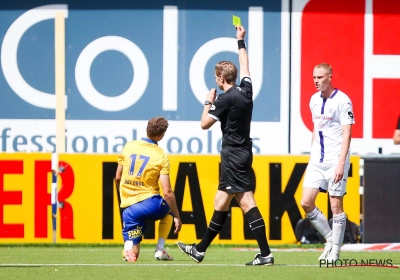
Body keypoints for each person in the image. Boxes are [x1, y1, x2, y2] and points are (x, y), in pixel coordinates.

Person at [177, 25, 274, 266]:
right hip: (243, 151)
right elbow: (246, 66)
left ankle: (265, 254)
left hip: (232, 154)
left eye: (217, 79)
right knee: (220, 202)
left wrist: (208, 101)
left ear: (221, 78)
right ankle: (199, 249)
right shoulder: (246, 90)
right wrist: (240, 41)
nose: (217, 82)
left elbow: (203, 124)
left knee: (246, 202)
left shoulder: (224, 99)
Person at [300, 63, 355, 262]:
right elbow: (317, 128)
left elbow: (347, 134)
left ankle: (336, 252)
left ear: (330, 77)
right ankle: (330, 238)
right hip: (317, 160)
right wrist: (311, 155)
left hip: (335, 160)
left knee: (336, 206)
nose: (316, 81)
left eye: (320, 77)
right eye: (314, 77)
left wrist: (341, 163)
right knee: (306, 202)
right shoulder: (313, 100)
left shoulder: (343, 101)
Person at [115, 116, 182, 262]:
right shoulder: (160, 155)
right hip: (150, 203)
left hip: (129, 208)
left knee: (135, 252)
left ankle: (128, 246)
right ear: (161, 135)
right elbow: (168, 192)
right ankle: (160, 249)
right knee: (169, 209)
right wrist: (177, 216)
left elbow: (118, 177)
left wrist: (125, 197)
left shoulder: (129, 146)